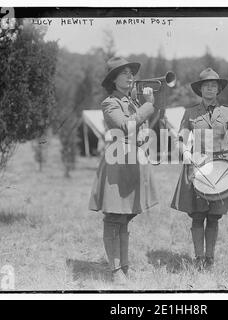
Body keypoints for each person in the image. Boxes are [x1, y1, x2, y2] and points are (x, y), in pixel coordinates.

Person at [89, 57, 159, 282]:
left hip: (133, 161)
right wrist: (149, 105)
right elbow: (126, 126)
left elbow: (140, 129)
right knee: (114, 217)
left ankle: (125, 266)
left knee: (126, 216)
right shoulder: (110, 103)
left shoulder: (133, 102)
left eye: (131, 73)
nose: (130, 77)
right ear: (113, 79)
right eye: (124, 73)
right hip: (118, 162)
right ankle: (116, 271)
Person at [171, 67, 228, 270]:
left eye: (213, 85)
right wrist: (184, 151)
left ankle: (209, 259)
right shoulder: (190, 113)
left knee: (214, 216)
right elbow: (181, 137)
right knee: (198, 216)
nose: (210, 89)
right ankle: (198, 258)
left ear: (218, 89)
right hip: (197, 167)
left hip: (222, 170)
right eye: (206, 86)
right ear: (200, 90)